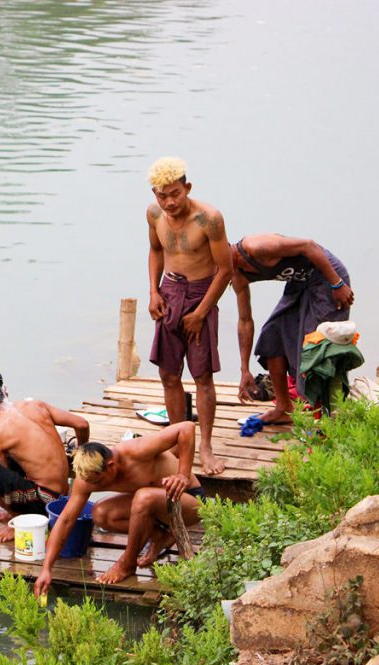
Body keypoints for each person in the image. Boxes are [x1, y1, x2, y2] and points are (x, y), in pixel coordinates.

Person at [33, 421, 202, 595]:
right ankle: (160, 537)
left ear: (111, 467)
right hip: (155, 508)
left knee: (143, 497)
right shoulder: (86, 480)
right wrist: (47, 568)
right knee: (100, 514)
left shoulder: (136, 451)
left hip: (189, 502)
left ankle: (127, 564)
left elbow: (186, 428)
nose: (94, 486)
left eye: (98, 482)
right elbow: (66, 520)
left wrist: (182, 474)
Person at [146, 156, 233, 476]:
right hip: (170, 292)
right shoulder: (153, 214)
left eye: (174, 194)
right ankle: (175, 439)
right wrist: (154, 292)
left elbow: (226, 270)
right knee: (169, 374)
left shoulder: (209, 219)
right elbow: (156, 251)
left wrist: (201, 312)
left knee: (202, 376)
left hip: (201, 294)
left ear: (187, 188)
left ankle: (205, 446)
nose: (168, 202)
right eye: (161, 194)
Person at [231, 234, 355, 423]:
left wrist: (337, 283)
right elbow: (245, 320)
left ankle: (325, 416)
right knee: (273, 335)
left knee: (318, 346)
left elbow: (309, 245)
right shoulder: (236, 276)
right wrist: (244, 370)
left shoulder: (256, 247)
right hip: (299, 283)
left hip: (327, 275)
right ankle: (283, 407)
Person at [0, 367, 90, 542]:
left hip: (45, 499)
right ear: (5, 389)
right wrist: (81, 456)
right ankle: (21, 512)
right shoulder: (34, 404)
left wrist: (12, 513)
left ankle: (20, 520)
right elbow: (82, 424)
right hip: (63, 493)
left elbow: (2, 486)